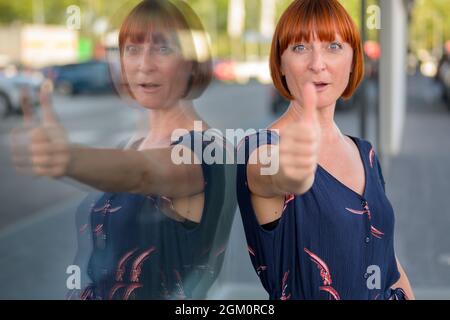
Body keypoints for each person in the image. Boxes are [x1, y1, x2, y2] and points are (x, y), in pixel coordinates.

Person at [11, 0, 236, 300]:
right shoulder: (133, 145)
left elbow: (143, 172)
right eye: (132, 49)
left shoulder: (209, 150)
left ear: (192, 62)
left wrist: (67, 157)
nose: (144, 64)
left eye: (163, 48)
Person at [236, 0, 414, 300]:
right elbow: (276, 174)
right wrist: (297, 171)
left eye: (334, 46)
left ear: (353, 60)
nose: (317, 63)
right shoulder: (259, 150)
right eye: (300, 48)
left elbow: (389, 263)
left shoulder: (365, 153)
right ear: (280, 62)